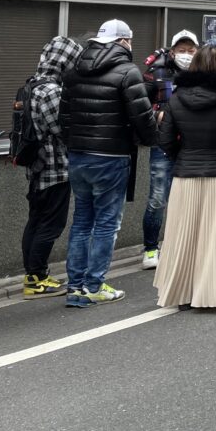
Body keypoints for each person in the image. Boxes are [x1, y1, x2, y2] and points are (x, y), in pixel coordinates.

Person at [61, 20, 157, 307]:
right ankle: (94, 284)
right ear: (123, 41)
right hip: (112, 156)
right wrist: (151, 138)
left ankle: (75, 287)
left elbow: (64, 117)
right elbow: (142, 117)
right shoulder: (127, 71)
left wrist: (74, 143)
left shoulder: (73, 71)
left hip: (78, 155)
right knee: (105, 224)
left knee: (81, 221)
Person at [154, 46, 216, 308]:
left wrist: (180, 157)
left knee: (182, 235)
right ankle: (212, 292)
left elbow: (164, 139)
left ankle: (181, 292)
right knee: (214, 235)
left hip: (185, 174)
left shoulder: (177, 98)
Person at [22, 37, 83, 298]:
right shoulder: (51, 91)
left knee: (35, 221)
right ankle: (37, 278)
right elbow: (61, 129)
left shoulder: (30, 85)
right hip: (54, 167)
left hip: (36, 166)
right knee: (50, 224)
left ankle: (33, 276)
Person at [140, 30, 200, 270]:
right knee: (157, 199)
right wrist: (156, 114)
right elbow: (138, 104)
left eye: (191, 51)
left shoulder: (203, 74)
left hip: (193, 145)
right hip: (163, 144)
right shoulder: (156, 72)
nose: (186, 55)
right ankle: (151, 248)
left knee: (188, 199)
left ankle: (180, 245)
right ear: (172, 51)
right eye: (181, 50)